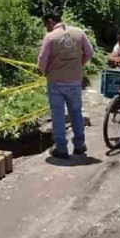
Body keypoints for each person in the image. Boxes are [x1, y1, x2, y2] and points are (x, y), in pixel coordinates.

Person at [37, 8, 94, 160]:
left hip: (56, 82)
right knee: (76, 112)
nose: (46, 28)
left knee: (58, 115)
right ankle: (79, 145)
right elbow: (89, 53)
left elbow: (42, 61)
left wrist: (44, 71)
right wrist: (78, 65)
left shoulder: (50, 37)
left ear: (50, 21)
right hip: (75, 81)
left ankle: (61, 148)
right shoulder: (79, 32)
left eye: (46, 24)